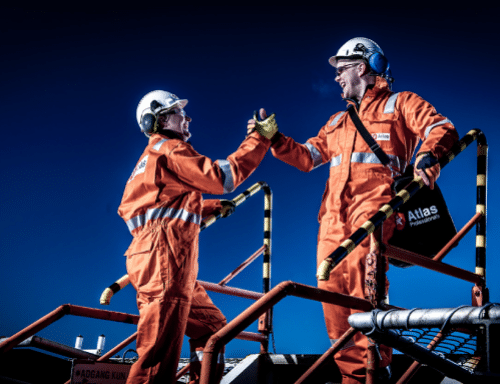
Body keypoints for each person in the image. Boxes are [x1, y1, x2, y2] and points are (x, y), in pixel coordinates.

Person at [254, 37, 459, 383]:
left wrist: (429, 155)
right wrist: (275, 139)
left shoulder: (400, 103)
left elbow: (440, 128)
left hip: (373, 215)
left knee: (362, 294)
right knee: (333, 303)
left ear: (362, 68)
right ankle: (354, 378)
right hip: (331, 223)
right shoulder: (337, 122)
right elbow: (307, 157)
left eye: (341, 69)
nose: (336, 77)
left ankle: (376, 372)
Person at [118, 90, 273, 384]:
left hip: (160, 255)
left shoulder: (152, 158)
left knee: (211, 327)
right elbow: (220, 178)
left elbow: (161, 206)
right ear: (159, 119)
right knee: (157, 355)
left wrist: (209, 207)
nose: (187, 118)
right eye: (179, 112)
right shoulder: (170, 149)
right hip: (164, 257)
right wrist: (258, 138)